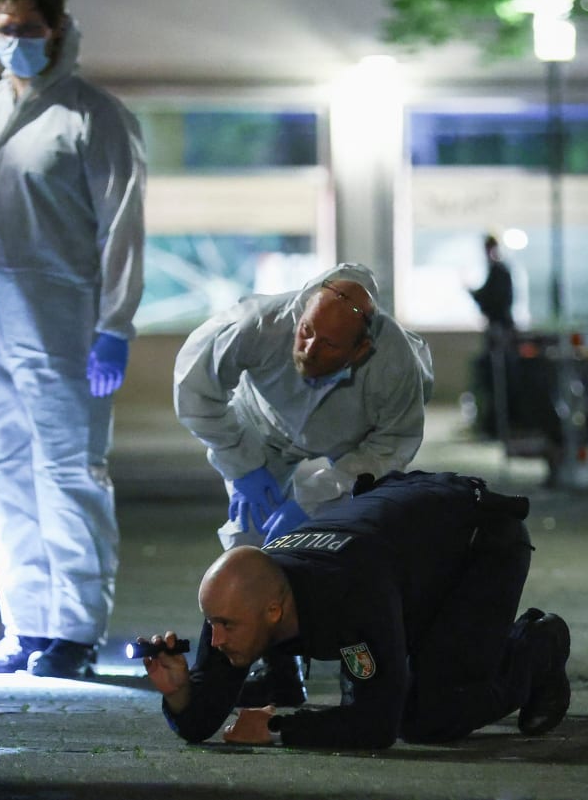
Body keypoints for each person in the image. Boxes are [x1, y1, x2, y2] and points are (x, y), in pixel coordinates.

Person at [0, 0, 146, 679]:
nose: (17, 41)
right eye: (5, 29)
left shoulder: (92, 117)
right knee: (1, 474)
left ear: (57, 27)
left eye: (29, 28)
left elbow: (122, 228)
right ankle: (24, 625)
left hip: (63, 326)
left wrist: (115, 323)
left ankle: (73, 632)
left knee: (69, 473)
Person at [136, 470, 571, 749]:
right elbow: (201, 723)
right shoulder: (240, 597)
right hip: (404, 540)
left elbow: (377, 724)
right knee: (395, 687)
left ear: (274, 612)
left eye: (225, 626)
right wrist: (180, 693)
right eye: (212, 623)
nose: (215, 639)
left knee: (427, 718)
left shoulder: (347, 598)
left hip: (480, 542)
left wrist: (278, 731)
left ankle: (538, 645)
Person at [172, 262, 434, 705]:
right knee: (249, 543)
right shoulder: (257, 323)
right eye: (306, 332)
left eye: (329, 344)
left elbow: (393, 443)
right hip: (261, 428)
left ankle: (369, 668)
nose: (310, 350)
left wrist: (317, 497)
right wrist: (242, 464)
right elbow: (196, 389)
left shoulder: (397, 365)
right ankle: (278, 673)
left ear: (361, 349)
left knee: (338, 549)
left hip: (351, 443)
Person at [469, 234, 516, 439]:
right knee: (494, 378)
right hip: (499, 329)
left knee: (498, 379)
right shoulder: (498, 270)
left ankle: (498, 424)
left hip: (500, 330)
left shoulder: (499, 270)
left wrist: (475, 295)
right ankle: (495, 423)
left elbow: (493, 300)